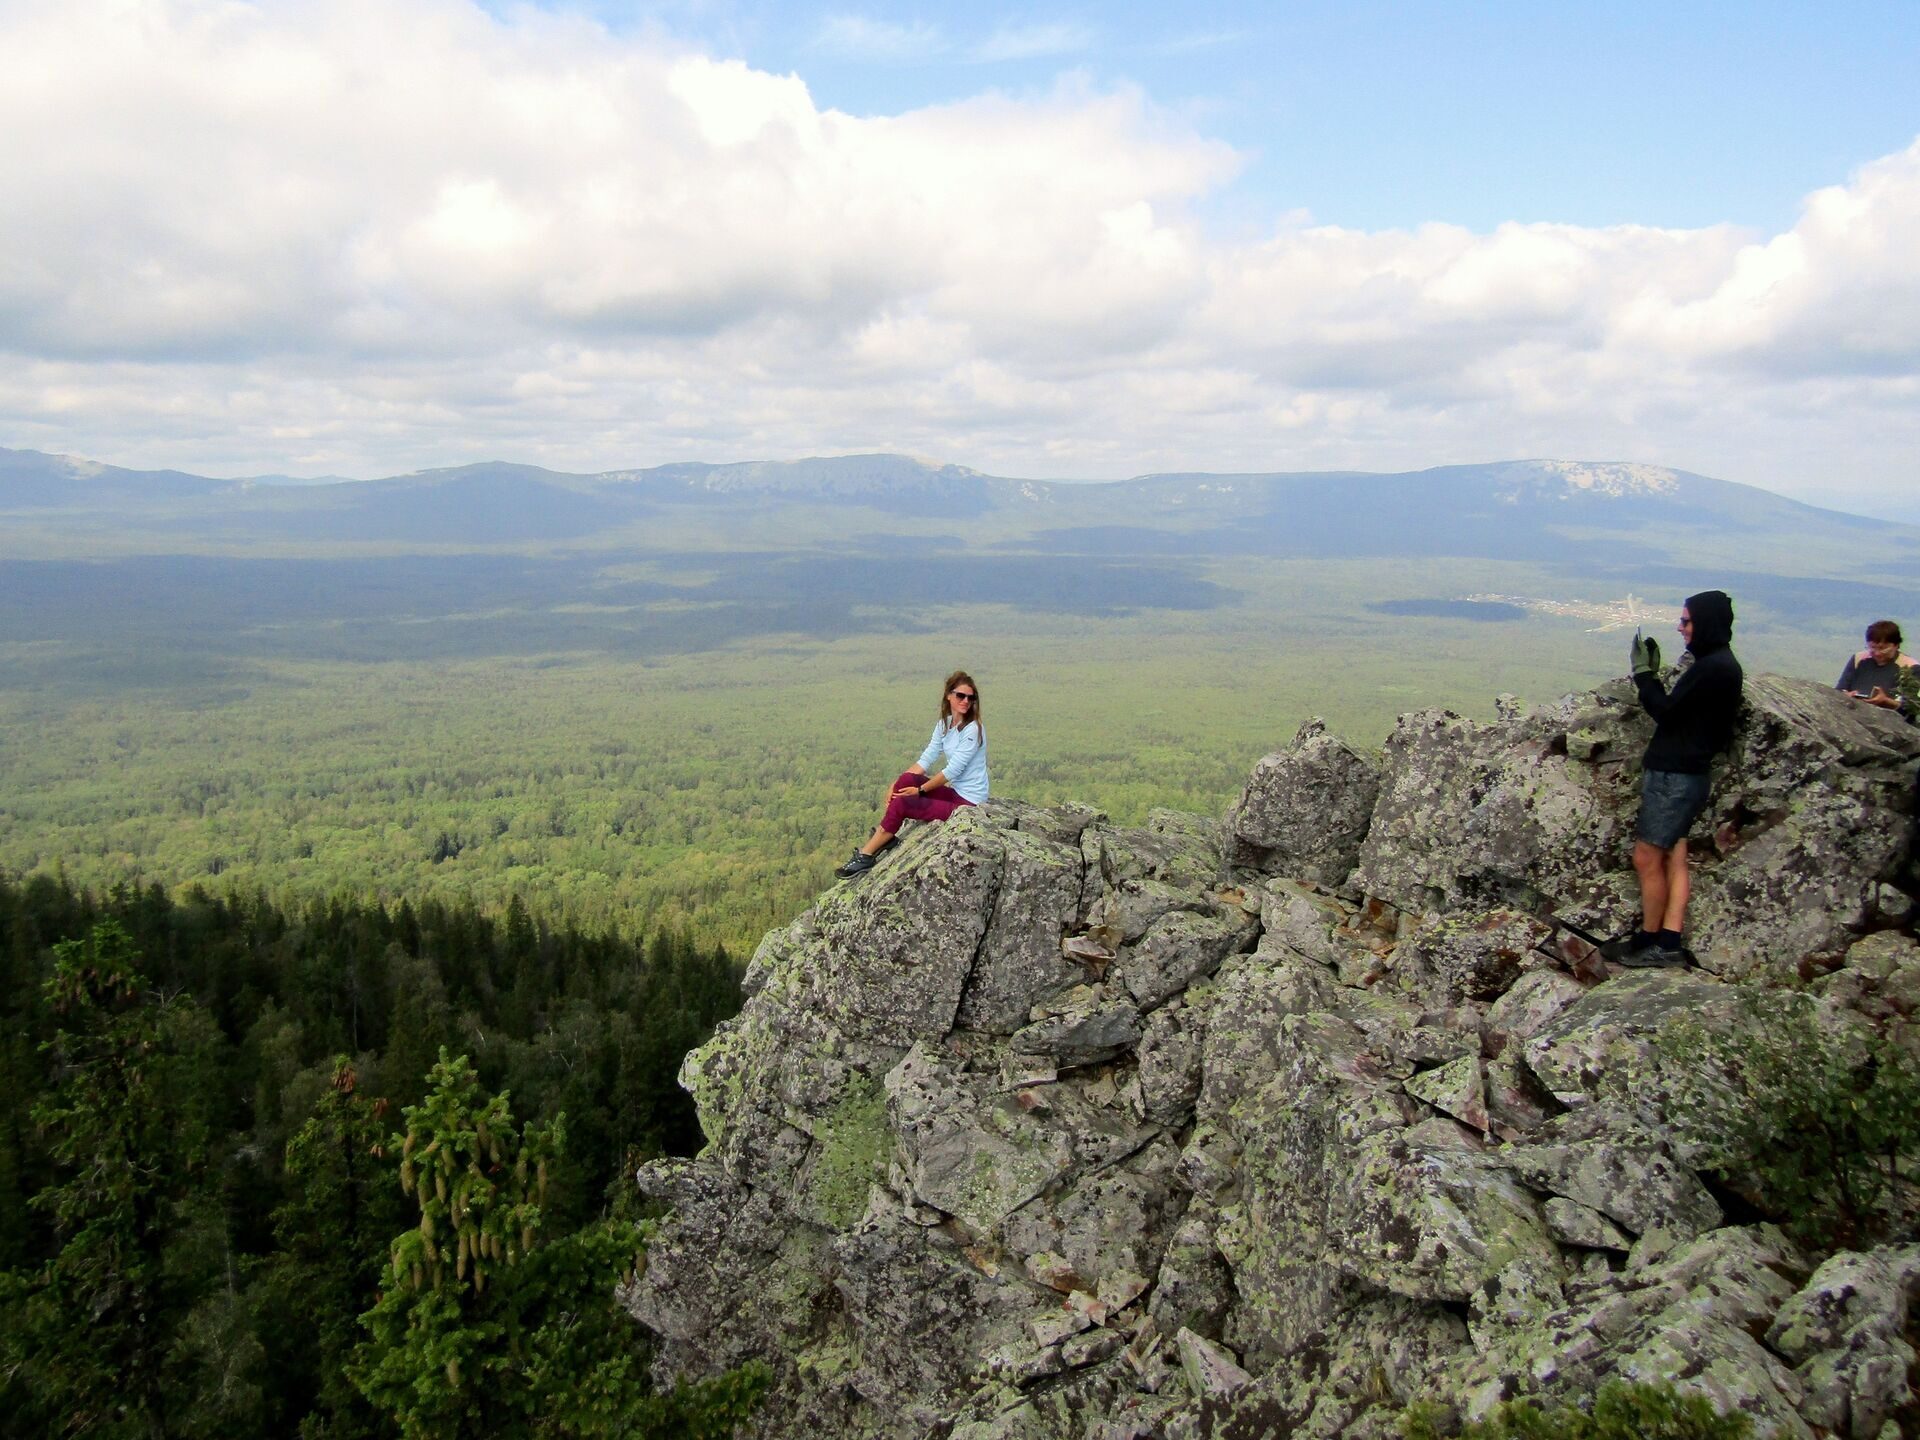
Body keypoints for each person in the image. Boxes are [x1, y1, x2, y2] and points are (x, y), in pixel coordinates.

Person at [1601, 591, 1743, 967]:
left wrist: (1644, 676)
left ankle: (1652, 942)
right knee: (1675, 857)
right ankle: (1668, 938)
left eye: (1687, 621)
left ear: (1706, 623)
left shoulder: (1713, 668)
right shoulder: (1719, 665)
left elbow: (1666, 712)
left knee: (1646, 857)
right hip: (1688, 775)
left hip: (1675, 778)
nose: (1680, 628)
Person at [836, 670, 989, 878]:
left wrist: (920, 791)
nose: (966, 701)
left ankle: (866, 855)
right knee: (904, 780)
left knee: (903, 803)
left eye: (971, 698)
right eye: (960, 695)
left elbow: (952, 771)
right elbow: (926, 759)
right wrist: (895, 784)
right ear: (949, 695)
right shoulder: (945, 724)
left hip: (970, 803)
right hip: (955, 793)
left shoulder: (973, 730)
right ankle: (887, 837)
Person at [1836, 620, 1916, 716]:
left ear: (1896, 645)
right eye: (1872, 648)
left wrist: (1885, 701)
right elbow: (1839, 690)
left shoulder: (1910, 666)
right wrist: (1847, 696)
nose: (1877, 653)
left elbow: (1911, 709)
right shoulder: (1858, 659)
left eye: (1883, 649)